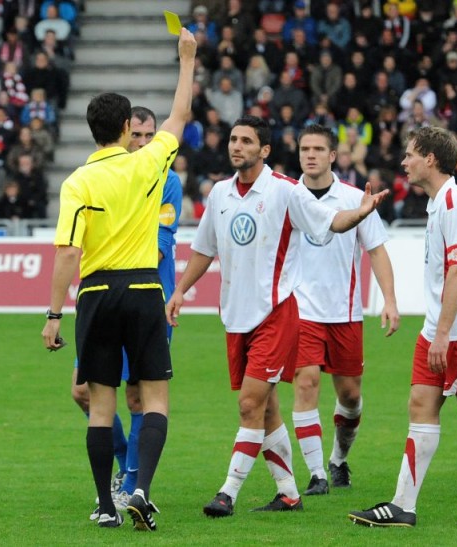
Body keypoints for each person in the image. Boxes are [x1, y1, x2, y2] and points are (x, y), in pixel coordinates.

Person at [166, 115, 388, 518]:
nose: (237, 146)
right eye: (233, 139)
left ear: (264, 150)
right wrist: (181, 290)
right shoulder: (219, 194)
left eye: (246, 141)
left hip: (276, 314)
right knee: (264, 408)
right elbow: (204, 249)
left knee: (250, 403)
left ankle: (228, 492)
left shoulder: (286, 191)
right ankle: (288, 492)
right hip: (235, 316)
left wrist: (359, 213)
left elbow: (330, 222)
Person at [41, 28, 196, 531]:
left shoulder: (78, 182)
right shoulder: (149, 162)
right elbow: (179, 117)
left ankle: (105, 506)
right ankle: (140, 490)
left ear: (90, 130)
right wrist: (187, 59)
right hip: (145, 287)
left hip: (96, 293)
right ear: (129, 128)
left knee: (100, 405)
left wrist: (54, 314)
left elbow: (68, 251)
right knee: (154, 398)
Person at [348, 126, 457, 529]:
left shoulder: (456, 204)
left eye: (410, 155)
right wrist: (435, 331)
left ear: (430, 158)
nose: (403, 162)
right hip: (439, 329)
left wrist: (443, 334)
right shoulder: (439, 204)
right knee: (420, 405)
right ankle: (402, 505)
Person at [73, 105, 184, 519]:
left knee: (139, 396)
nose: (140, 143)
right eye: (135, 135)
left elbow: (159, 243)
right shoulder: (104, 177)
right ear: (124, 133)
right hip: (107, 295)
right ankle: (123, 468)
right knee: (82, 391)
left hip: (146, 295)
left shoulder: (164, 179)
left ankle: (135, 484)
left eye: (148, 137)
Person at [291, 124, 400, 496]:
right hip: (300, 311)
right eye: (305, 148)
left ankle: (338, 458)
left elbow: (377, 250)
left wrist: (389, 299)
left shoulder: (356, 197)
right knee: (305, 384)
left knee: (350, 397)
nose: (310, 155)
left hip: (345, 313)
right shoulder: (287, 197)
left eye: (318, 149)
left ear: (333, 156)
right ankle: (316, 472)